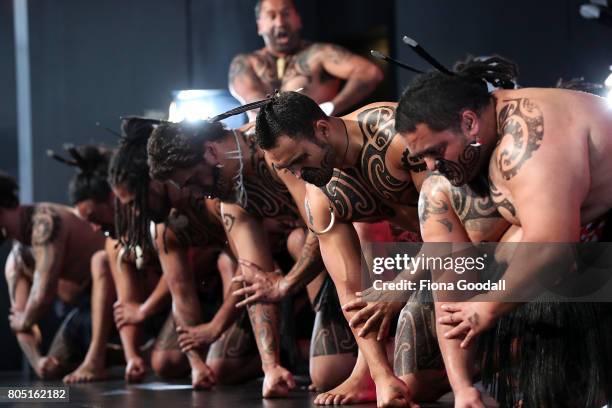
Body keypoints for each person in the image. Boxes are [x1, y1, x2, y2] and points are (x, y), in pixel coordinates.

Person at [395, 55, 612, 407]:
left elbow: (553, 248)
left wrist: (489, 306)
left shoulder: (527, 141)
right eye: (422, 158)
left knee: (523, 254)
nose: (432, 166)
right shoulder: (442, 186)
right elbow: (449, 292)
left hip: (581, 244)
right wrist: (463, 388)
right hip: (574, 242)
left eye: (436, 152)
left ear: (469, 122)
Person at [147, 119, 363, 398]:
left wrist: (286, 284)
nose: (198, 194)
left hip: (376, 241)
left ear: (210, 152)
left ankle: (383, 350)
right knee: (325, 374)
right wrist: (270, 366)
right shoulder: (230, 198)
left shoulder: (273, 147)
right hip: (331, 256)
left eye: (193, 181)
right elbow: (255, 277)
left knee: (300, 240)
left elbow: (321, 225)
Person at [252, 91, 435, 406]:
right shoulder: (321, 196)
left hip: (474, 251)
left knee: (415, 383)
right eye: (288, 169)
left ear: (322, 129)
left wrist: (398, 289)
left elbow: (453, 228)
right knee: (387, 383)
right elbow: (350, 291)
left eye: (299, 161)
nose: (298, 174)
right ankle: (371, 374)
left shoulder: (396, 135)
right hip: (421, 264)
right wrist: (380, 377)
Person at [108, 117, 260, 389]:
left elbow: (248, 265)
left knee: (222, 368)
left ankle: (285, 349)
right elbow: (181, 293)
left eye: (138, 202)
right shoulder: (165, 228)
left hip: (267, 265)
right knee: (166, 364)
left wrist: (216, 327)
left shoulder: (210, 192)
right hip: (235, 281)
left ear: (156, 181)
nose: (137, 212)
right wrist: (195, 364)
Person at [1, 171, 108, 381]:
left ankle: (97, 358)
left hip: (115, 291)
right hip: (85, 311)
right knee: (52, 369)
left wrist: (23, 321)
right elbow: (20, 317)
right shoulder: (15, 262)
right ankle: (117, 355)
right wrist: (36, 361)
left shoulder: (44, 221)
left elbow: (42, 297)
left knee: (101, 264)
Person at [229, 0, 383, 120]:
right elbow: (252, 98)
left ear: (298, 19)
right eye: (272, 16)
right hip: (260, 152)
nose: (280, 22)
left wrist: (331, 106)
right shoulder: (245, 63)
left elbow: (370, 73)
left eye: (286, 13)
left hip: (314, 148)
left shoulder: (320, 54)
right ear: (259, 26)